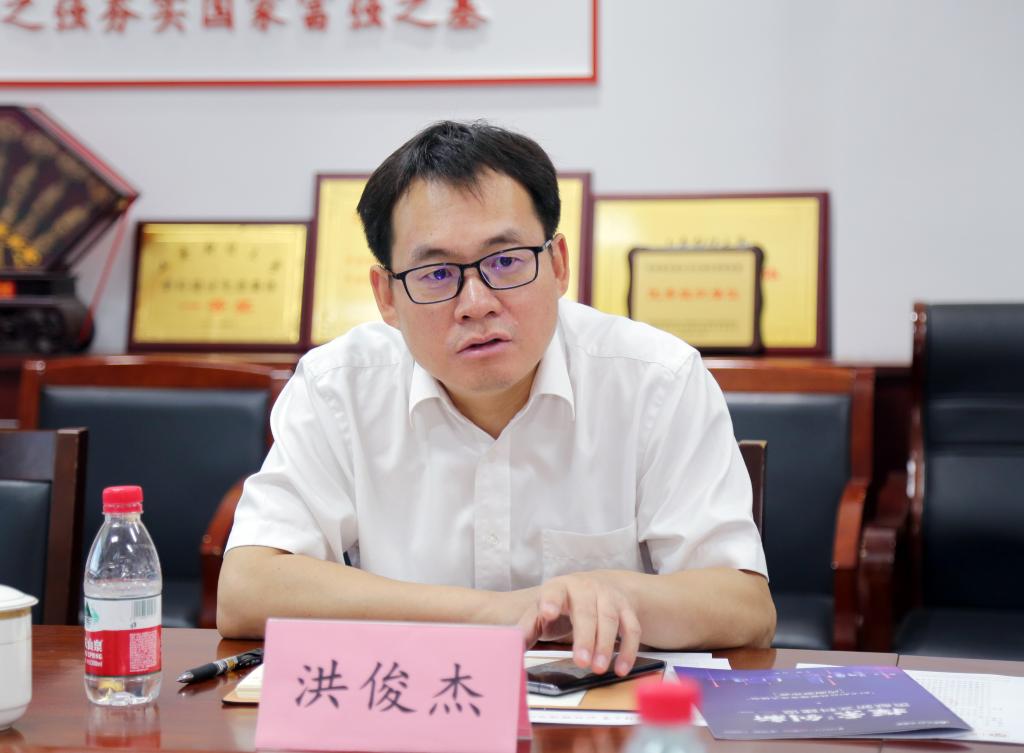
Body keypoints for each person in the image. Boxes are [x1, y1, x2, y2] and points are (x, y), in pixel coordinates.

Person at [218, 121, 775, 676]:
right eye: (436, 273)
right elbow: (246, 589)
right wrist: (495, 614)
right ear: (386, 296)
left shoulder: (657, 379)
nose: (476, 303)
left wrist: (608, 594)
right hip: (415, 704)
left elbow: (745, 608)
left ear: (557, 265)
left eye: (505, 262)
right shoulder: (337, 386)